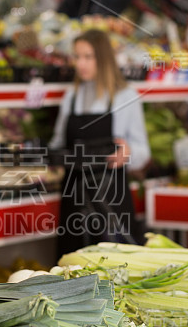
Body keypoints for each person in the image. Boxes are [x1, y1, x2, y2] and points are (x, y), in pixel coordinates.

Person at [49, 28, 150, 256]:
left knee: (115, 266)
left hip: (111, 198)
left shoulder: (126, 96)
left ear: (103, 58)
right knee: (72, 266)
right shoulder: (71, 97)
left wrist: (128, 153)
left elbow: (143, 150)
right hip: (74, 198)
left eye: (88, 56)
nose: (80, 64)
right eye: (77, 56)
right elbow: (57, 143)